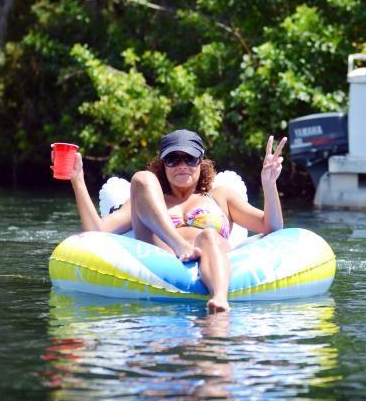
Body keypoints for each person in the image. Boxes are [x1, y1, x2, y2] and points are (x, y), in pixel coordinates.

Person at [69, 129, 287, 313]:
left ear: (201, 162)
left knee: (208, 236)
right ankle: (178, 244)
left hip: (211, 251)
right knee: (141, 178)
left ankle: (219, 299)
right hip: (162, 253)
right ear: (163, 165)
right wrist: (77, 180)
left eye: (190, 158)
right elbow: (96, 233)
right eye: (173, 159)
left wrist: (269, 184)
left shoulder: (221, 196)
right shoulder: (149, 200)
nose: (182, 165)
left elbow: (271, 227)